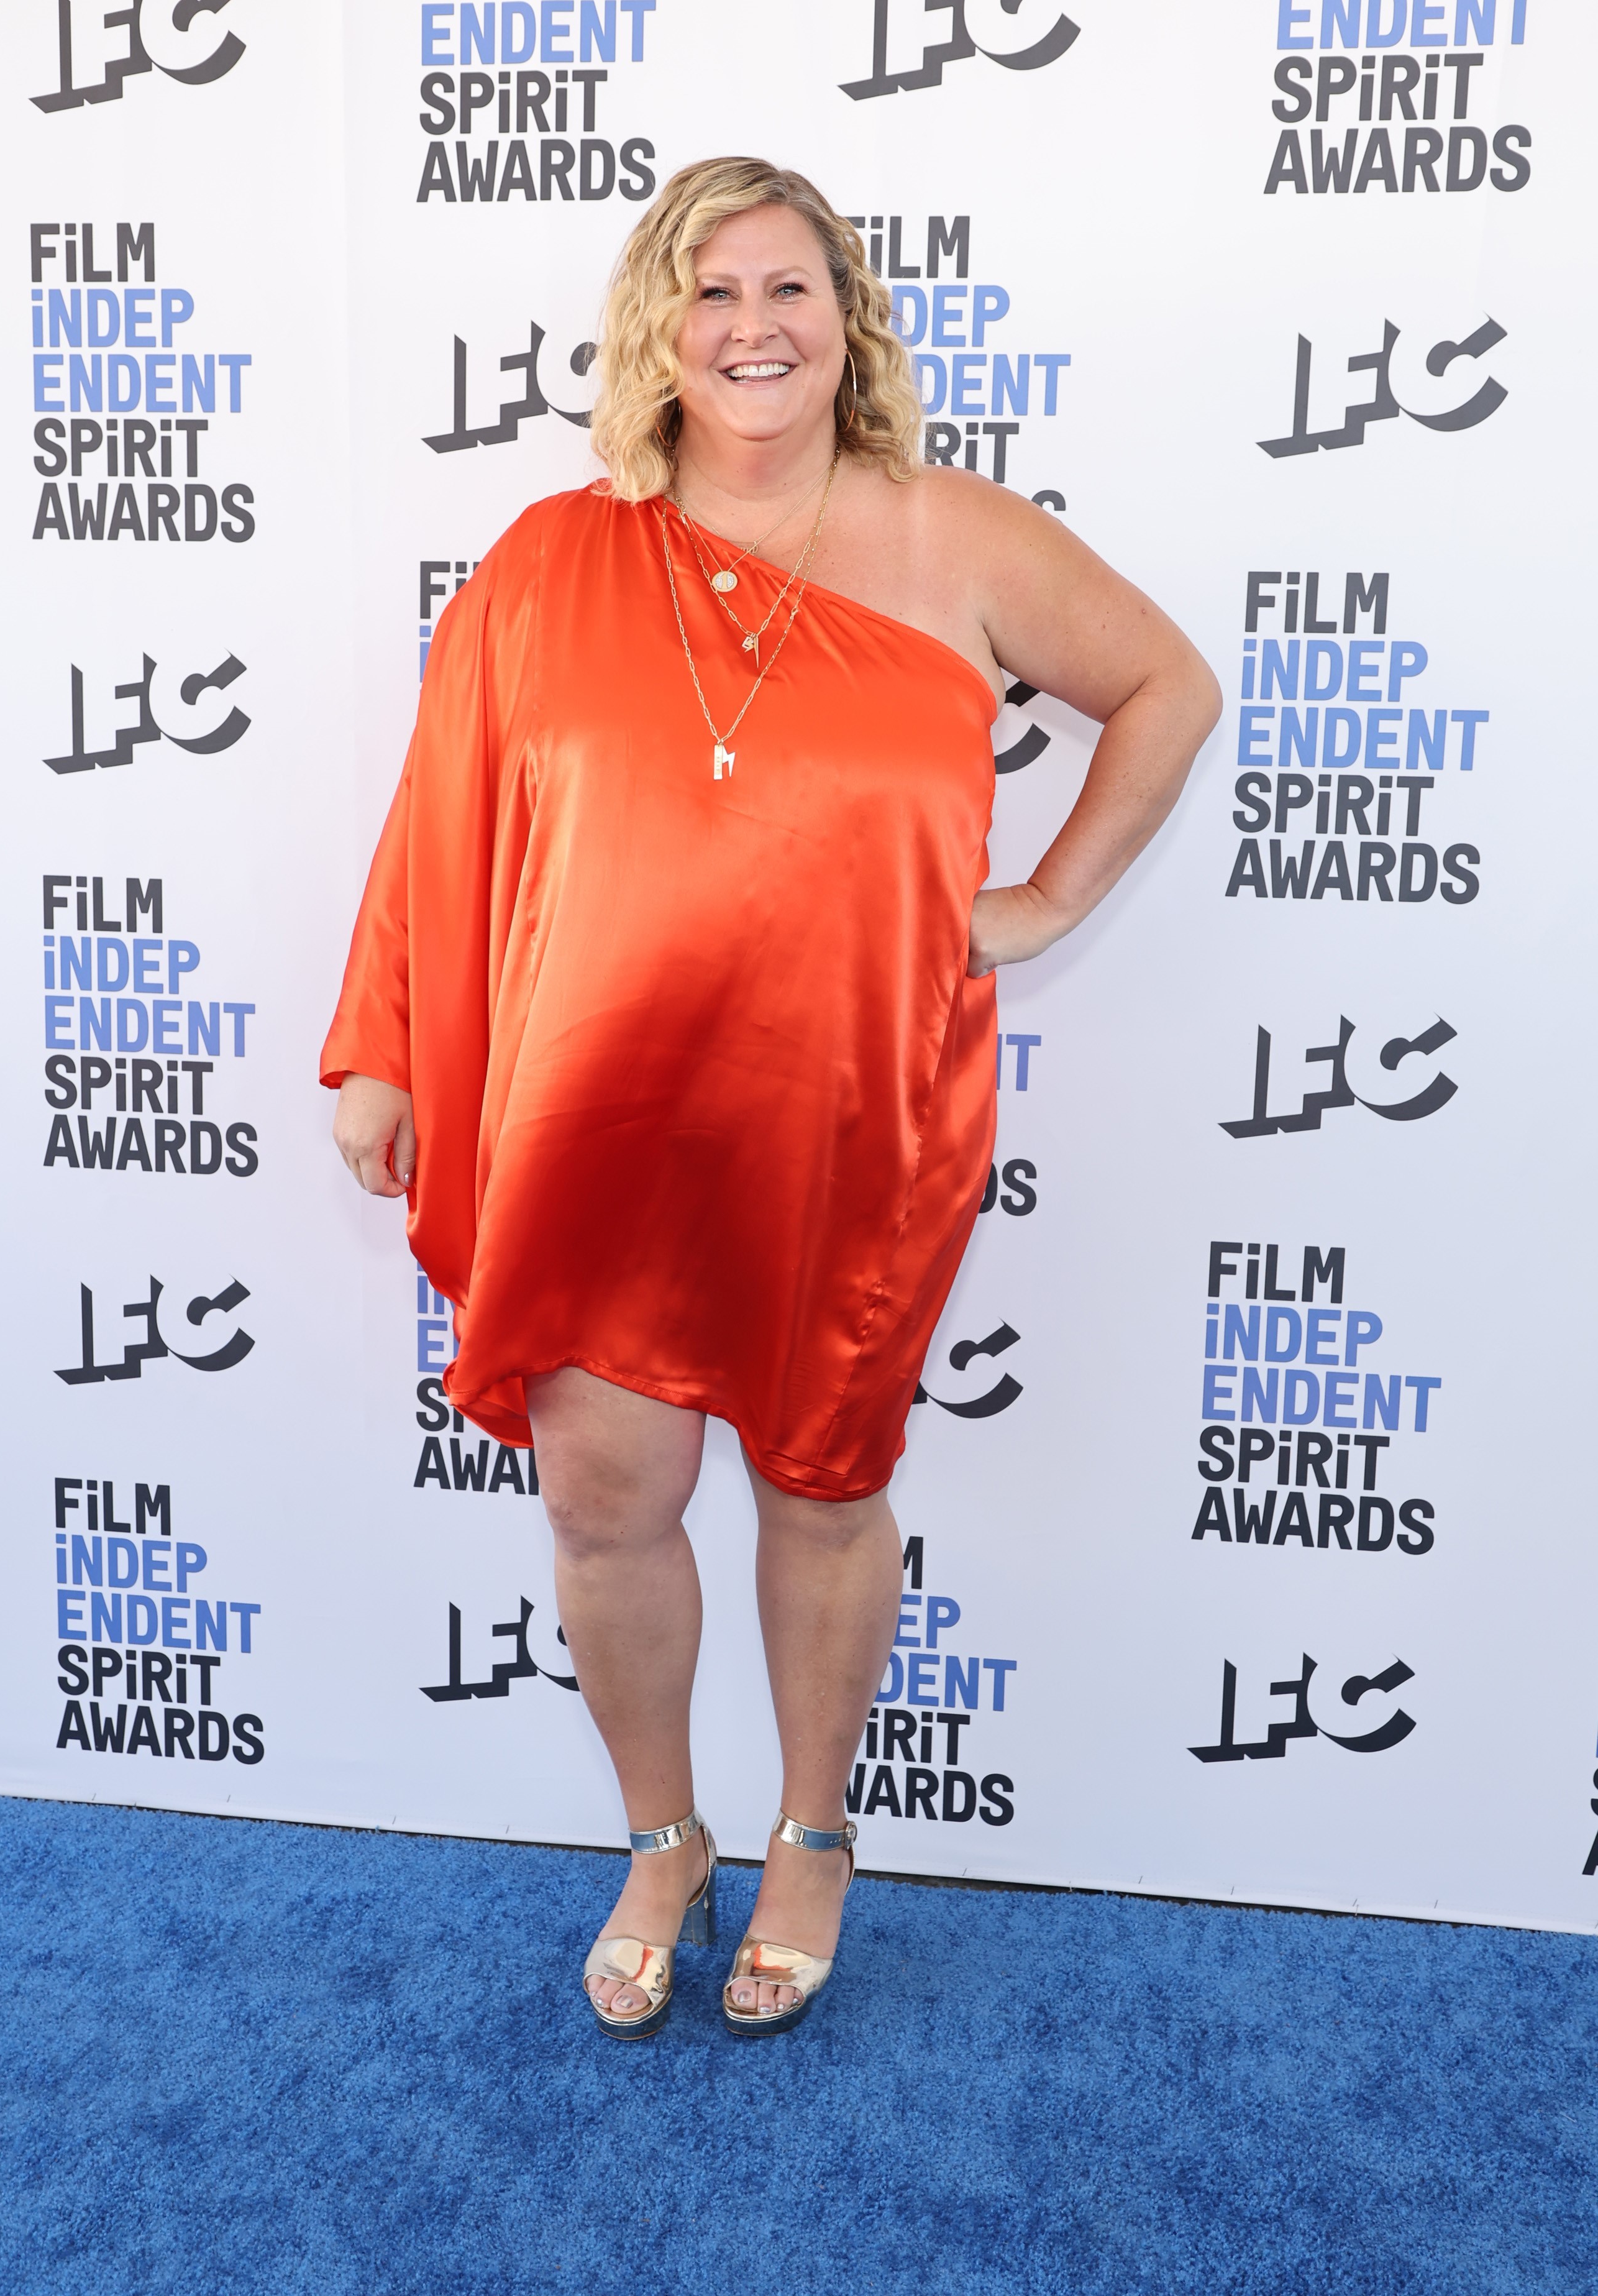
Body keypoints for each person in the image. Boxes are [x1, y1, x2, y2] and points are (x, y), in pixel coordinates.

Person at [322, 155, 1220, 2040]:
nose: (752, 326)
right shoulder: (549, 561)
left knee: (824, 1485)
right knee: (607, 1498)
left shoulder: (954, 536)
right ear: (657, 331)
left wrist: (1044, 901)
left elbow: (1166, 687)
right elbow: (441, 813)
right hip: (597, 1112)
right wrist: (388, 1045)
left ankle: (813, 1837)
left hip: (849, 1115)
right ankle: (664, 1840)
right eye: (712, 291)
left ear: (846, 319)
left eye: (789, 288)